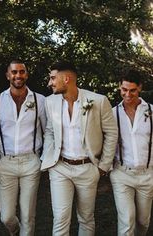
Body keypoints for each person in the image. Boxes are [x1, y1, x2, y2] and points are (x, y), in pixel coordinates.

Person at [40, 61, 118, 236]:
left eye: (53, 78)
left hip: (88, 168)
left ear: (66, 79)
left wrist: (102, 166)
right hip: (60, 168)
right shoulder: (50, 102)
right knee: (60, 217)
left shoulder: (98, 101)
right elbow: (50, 131)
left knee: (86, 217)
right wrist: (48, 158)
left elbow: (111, 133)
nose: (49, 83)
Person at [0, 59, 46, 236]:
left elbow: (49, 132)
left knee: (28, 215)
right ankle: (15, 231)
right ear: (8, 75)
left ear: (27, 74)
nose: (18, 75)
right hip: (5, 162)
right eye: (14, 72)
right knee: (7, 216)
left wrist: (43, 159)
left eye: (22, 72)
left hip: (31, 162)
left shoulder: (40, 100)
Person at [110, 70, 153, 236]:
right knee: (127, 220)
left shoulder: (150, 111)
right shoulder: (112, 113)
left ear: (140, 88)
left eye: (132, 90)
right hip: (122, 174)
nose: (127, 94)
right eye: (124, 89)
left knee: (143, 221)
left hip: (147, 174)